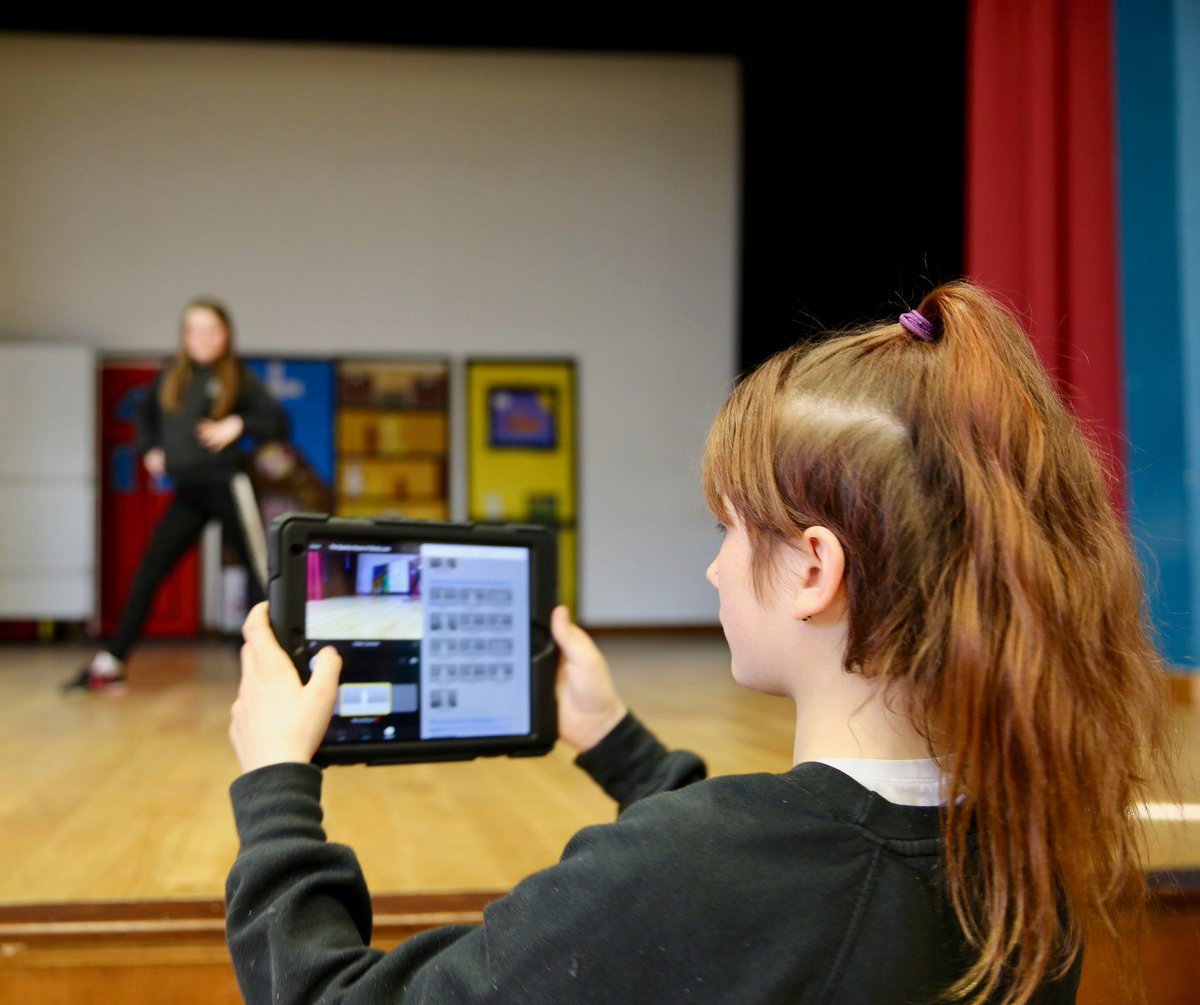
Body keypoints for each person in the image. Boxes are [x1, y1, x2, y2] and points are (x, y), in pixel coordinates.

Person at [224, 281, 1170, 1004]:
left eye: (728, 531)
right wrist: (617, 742)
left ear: (814, 569)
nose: (715, 570)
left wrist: (274, 788)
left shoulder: (682, 873)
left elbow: (330, 994)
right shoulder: (1020, 859)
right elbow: (776, 889)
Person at [65, 298, 287, 695]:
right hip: (189, 492)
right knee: (151, 568)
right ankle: (112, 660)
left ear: (225, 335)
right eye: (194, 329)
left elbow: (276, 422)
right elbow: (144, 417)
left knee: (259, 574)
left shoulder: (238, 377)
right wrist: (149, 448)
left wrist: (237, 423)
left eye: (210, 329)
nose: (202, 337)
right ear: (185, 336)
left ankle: (267, 666)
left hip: (228, 485)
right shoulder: (172, 376)